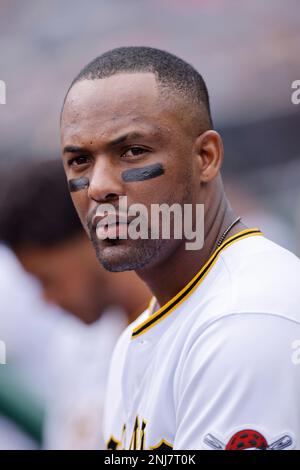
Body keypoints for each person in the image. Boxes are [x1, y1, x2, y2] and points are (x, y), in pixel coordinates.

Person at [60, 46, 300, 450]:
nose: (99, 186)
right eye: (80, 160)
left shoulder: (246, 318)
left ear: (205, 157)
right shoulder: (139, 332)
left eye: (132, 151)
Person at [0, 158, 150, 449]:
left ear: (92, 235)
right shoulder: (75, 347)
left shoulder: (205, 324)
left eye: (47, 279)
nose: (46, 299)